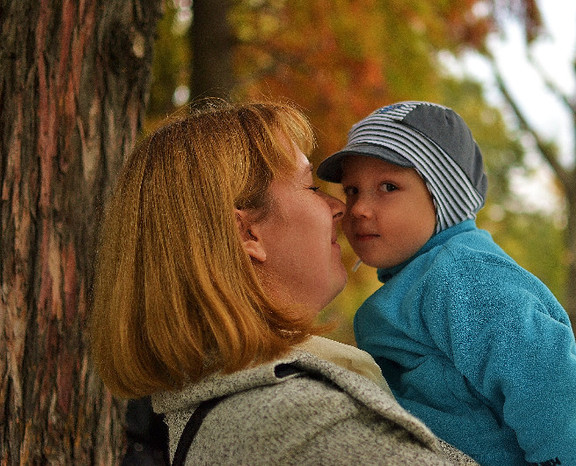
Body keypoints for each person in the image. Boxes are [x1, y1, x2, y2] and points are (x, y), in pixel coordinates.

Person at [89, 101, 477, 465]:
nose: (340, 206)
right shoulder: (304, 421)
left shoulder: (225, 408)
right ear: (246, 233)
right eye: (310, 186)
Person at [317, 101, 576, 466]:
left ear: (444, 198)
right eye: (352, 190)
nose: (357, 208)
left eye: (388, 187)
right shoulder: (420, 280)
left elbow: (551, 387)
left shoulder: (464, 276)